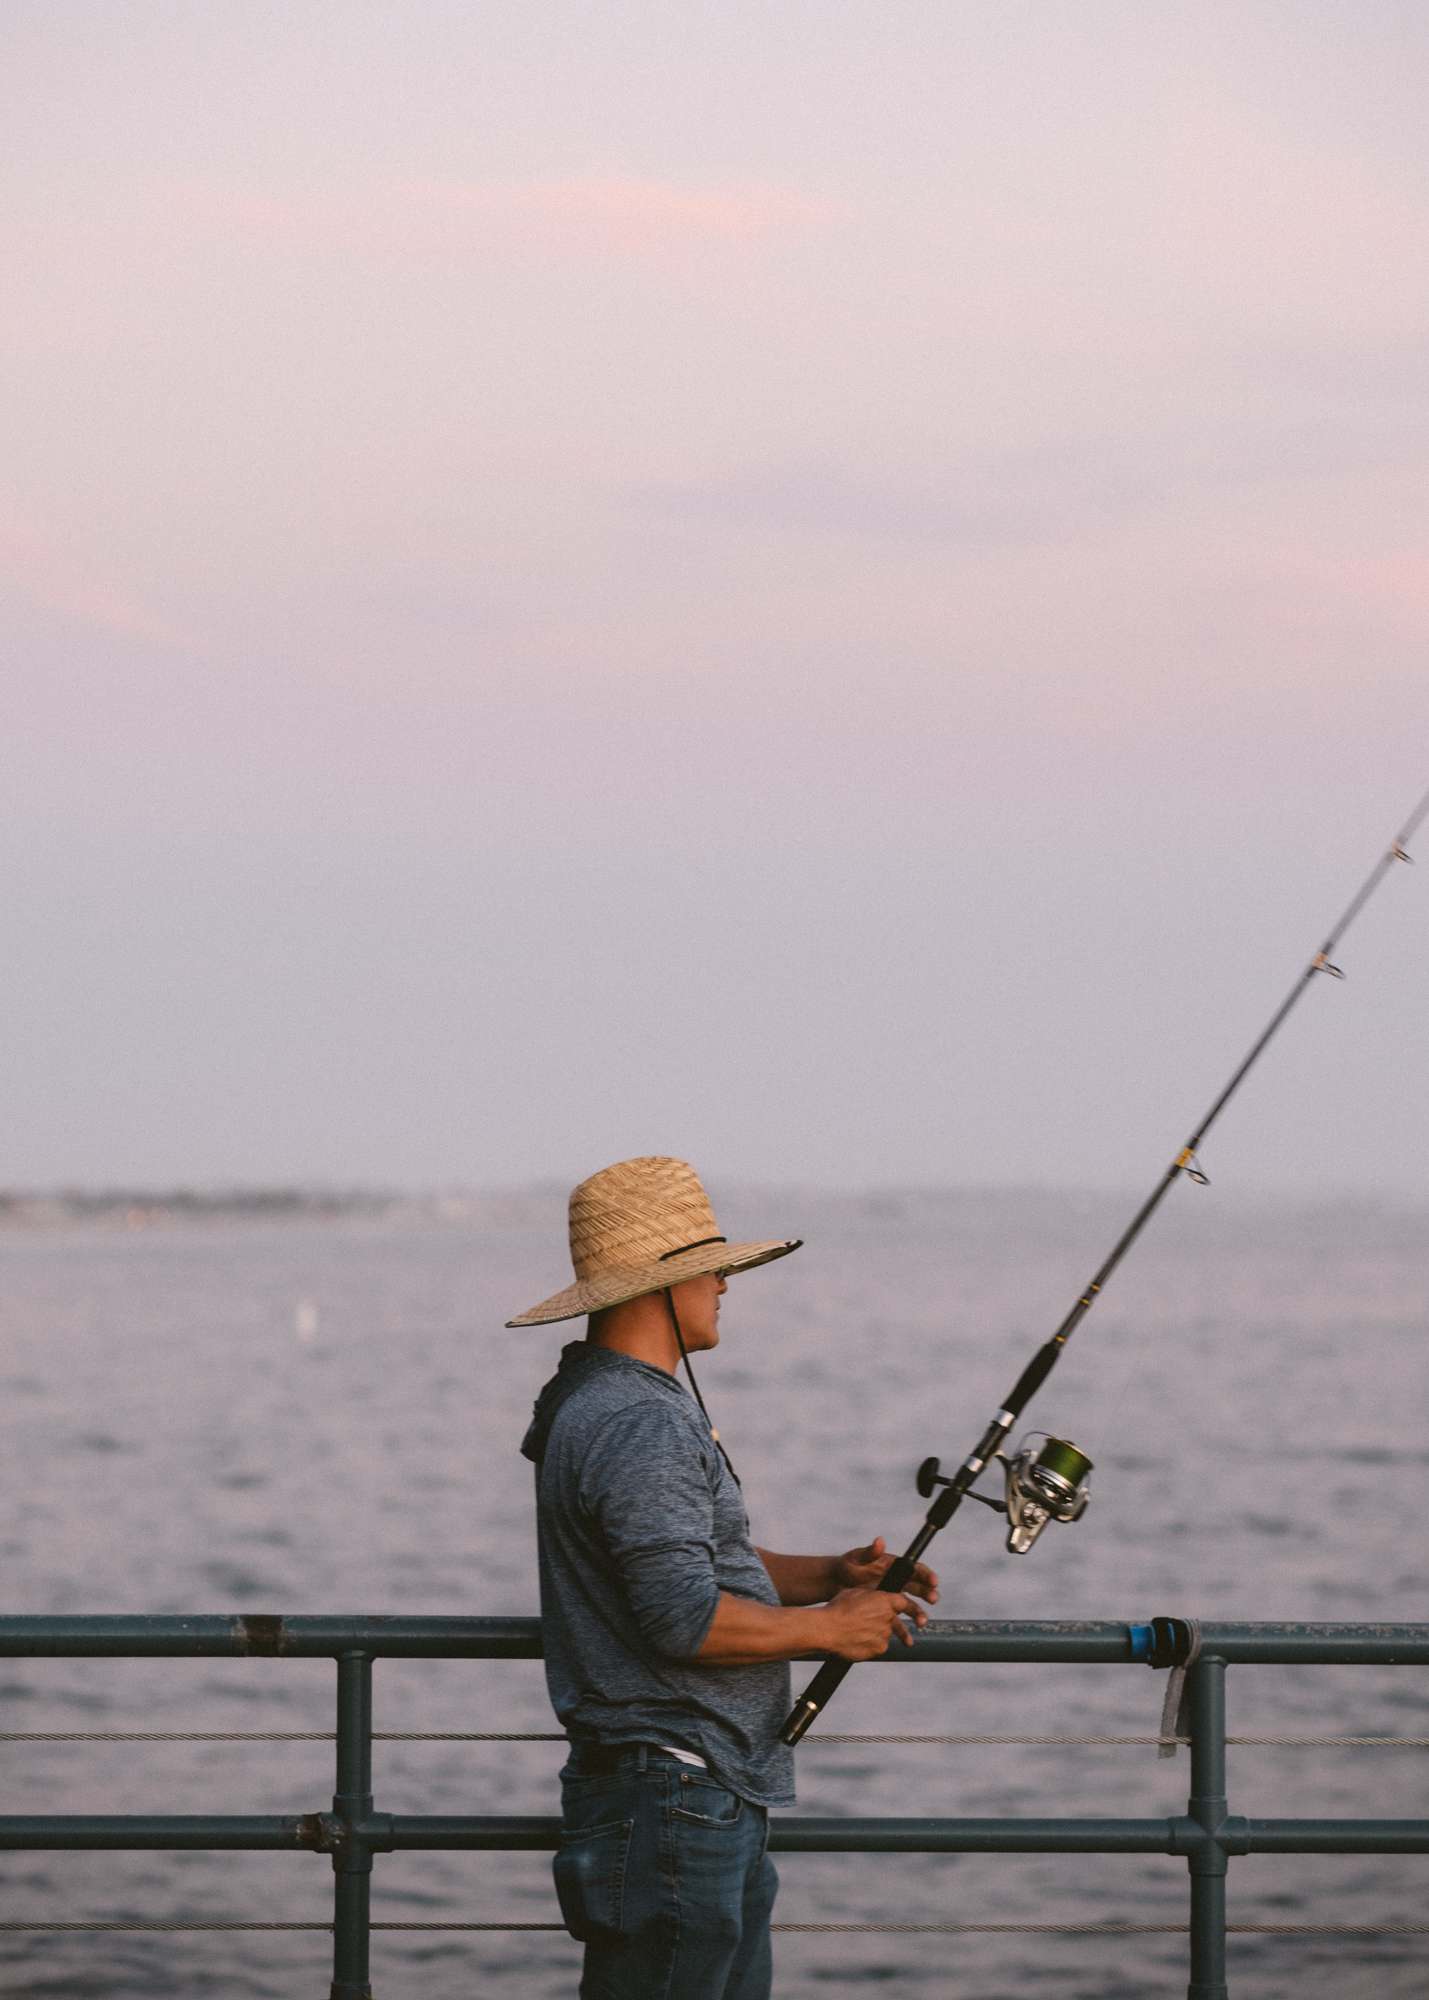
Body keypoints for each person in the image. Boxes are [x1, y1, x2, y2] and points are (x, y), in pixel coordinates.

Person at [511, 1155, 939, 2000]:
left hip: (687, 1792)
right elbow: (682, 1618)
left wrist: (829, 1574)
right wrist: (832, 1627)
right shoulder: (638, 1420)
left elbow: (683, 1564)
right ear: (657, 1286)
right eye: (710, 1269)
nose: (725, 1286)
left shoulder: (598, 1398)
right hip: (672, 1799)